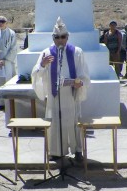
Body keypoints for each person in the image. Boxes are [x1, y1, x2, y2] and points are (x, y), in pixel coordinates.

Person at [32, 17, 90, 160]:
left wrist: (80, 83)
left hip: (71, 95)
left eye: (63, 37)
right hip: (54, 96)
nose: (60, 40)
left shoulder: (76, 52)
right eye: (57, 37)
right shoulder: (46, 53)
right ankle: (56, 151)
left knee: (73, 122)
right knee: (55, 123)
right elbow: (36, 73)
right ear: (53, 37)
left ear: (67, 37)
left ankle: (77, 150)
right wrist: (43, 65)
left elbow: (84, 75)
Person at [0, 16, 18, 109]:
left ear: (6, 23)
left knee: (8, 80)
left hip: (7, 62)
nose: (0, 23)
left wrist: (5, 60)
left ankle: (9, 102)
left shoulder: (12, 33)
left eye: (2, 22)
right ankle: (1, 103)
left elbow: (13, 48)